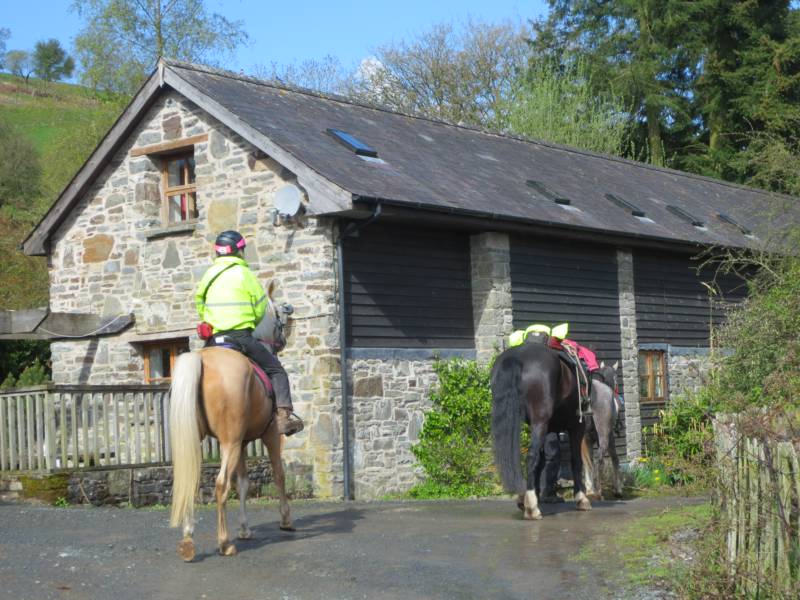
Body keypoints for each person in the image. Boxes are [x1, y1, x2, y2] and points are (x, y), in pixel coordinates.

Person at [195, 230, 304, 436]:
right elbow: (261, 308)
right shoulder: (245, 275)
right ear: (239, 251)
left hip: (213, 339)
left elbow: (200, 304)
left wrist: (213, 320)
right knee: (277, 371)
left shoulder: (208, 276)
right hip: (240, 337)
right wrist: (249, 322)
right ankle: (283, 419)